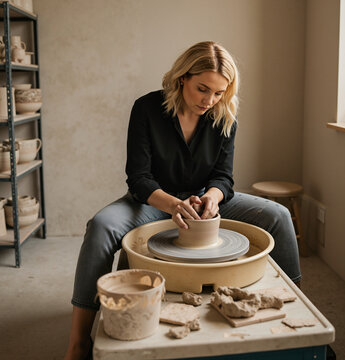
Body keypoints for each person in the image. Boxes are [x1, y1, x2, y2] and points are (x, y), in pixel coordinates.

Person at [64, 41, 301, 360]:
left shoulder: (224, 115)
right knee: (101, 226)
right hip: (154, 200)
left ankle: (299, 317)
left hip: (205, 199)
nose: (210, 100)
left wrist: (213, 198)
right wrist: (172, 204)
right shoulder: (146, 108)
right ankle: (78, 341)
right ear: (181, 79)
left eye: (219, 92)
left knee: (279, 216)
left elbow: (224, 177)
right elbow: (139, 177)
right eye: (203, 89)